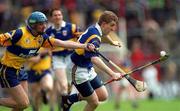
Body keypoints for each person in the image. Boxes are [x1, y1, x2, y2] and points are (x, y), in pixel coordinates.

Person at [0, 11, 95, 111]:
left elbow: (61, 43)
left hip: (20, 70)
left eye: (45, 23)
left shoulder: (41, 38)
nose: (44, 26)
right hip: (8, 70)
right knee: (23, 103)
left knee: (20, 106)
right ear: (33, 25)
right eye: (41, 24)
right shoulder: (19, 33)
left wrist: (84, 46)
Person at [61, 10, 123, 111]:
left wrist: (112, 42)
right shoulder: (95, 37)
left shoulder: (96, 29)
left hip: (87, 67)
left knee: (103, 96)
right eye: (111, 25)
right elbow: (95, 59)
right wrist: (113, 74)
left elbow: (103, 35)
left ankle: (69, 100)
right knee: (94, 102)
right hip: (77, 69)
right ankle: (68, 100)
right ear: (103, 24)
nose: (113, 29)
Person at [45, 8, 83, 110]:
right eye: (55, 15)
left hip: (71, 58)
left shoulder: (72, 27)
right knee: (63, 85)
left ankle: (64, 103)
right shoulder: (48, 31)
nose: (57, 17)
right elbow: (45, 47)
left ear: (62, 16)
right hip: (57, 59)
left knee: (69, 86)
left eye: (59, 15)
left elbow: (81, 40)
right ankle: (66, 108)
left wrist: (74, 46)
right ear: (51, 17)